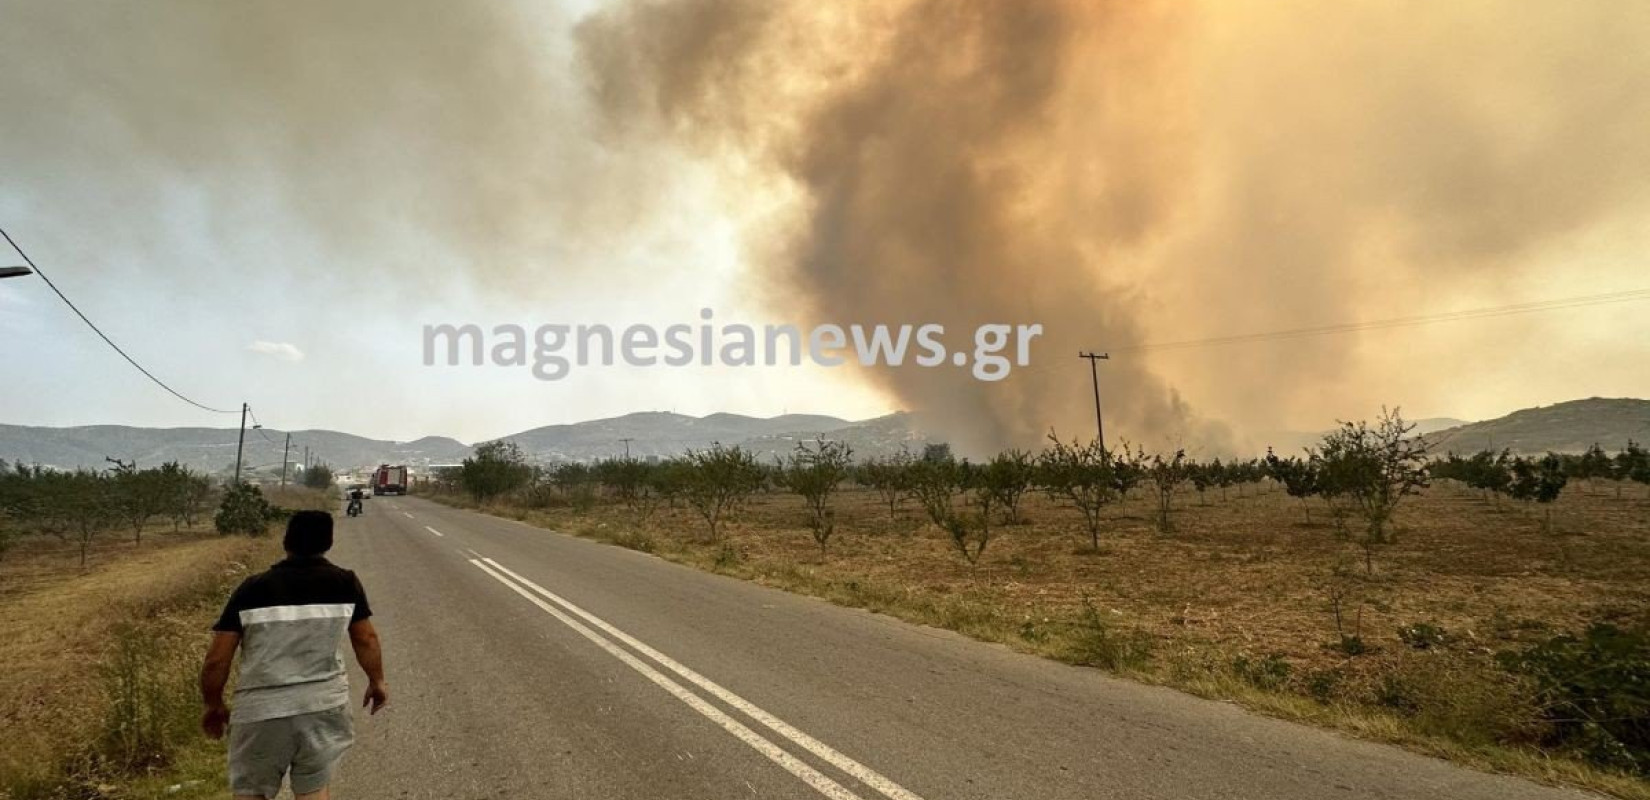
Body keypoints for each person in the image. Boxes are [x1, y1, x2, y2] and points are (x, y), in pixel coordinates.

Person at [200, 510, 388, 800]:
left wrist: (213, 704)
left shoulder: (252, 589)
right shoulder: (344, 583)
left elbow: (217, 660)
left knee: (251, 792)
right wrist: (377, 681)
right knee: (313, 789)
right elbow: (366, 639)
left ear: (286, 542)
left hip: (262, 711)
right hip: (322, 706)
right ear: (328, 542)